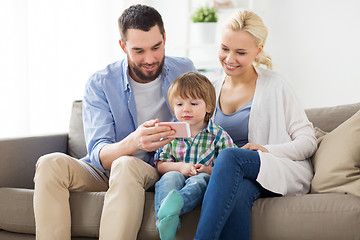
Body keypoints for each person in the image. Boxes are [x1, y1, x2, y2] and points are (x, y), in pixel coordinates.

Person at [33, 4, 197, 240]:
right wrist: (134, 141)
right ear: (123, 46)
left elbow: (205, 119)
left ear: (164, 38)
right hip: (106, 170)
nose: (150, 59)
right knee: (49, 163)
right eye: (138, 51)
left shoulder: (184, 70)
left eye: (156, 47)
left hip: (155, 169)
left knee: (126, 165)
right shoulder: (100, 83)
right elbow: (99, 153)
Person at [194, 10, 318, 240]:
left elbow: (308, 142)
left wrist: (267, 149)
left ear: (258, 51)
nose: (229, 59)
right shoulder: (209, 88)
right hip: (232, 176)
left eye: (240, 52)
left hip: (272, 167)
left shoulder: (276, 85)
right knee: (239, 194)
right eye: (224, 49)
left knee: (231, 156)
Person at [153, 72, 236, 240]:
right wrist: (180, 167)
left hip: (201, 176)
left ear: (209, 107)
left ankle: (176, 206)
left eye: (193, 103)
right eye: (179, 104)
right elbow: (160, 164)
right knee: (170, 177)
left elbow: (230, 168)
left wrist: (207, 169)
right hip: (175, 173)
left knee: (199, 180)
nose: (186, 109)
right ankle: (165, 219)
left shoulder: (218, 135)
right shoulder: (170, 133)